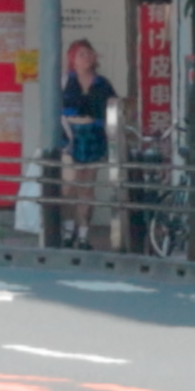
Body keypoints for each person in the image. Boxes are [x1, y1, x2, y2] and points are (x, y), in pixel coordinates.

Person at [55, 39, 117, 249]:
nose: (87, 57)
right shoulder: (65, 82)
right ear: (72, 58)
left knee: (87, 189)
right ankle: (67, 229)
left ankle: (83, 234)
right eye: (81, 54)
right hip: (69, 138)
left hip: (93, 137)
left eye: (89, 53)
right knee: (68, 186)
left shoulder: (103, 84)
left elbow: (114, 108)